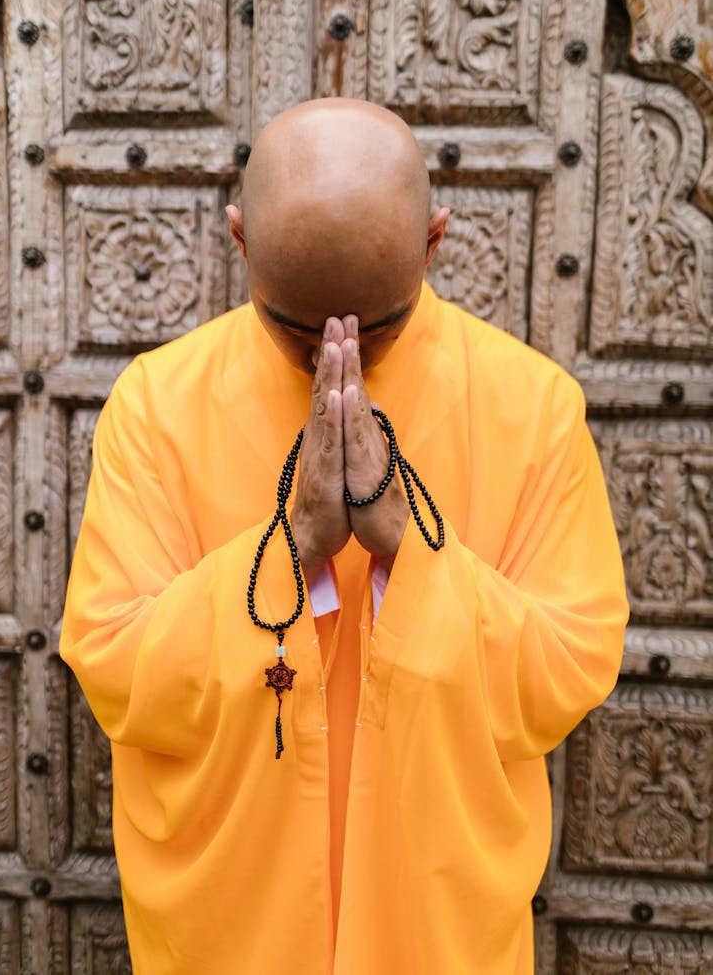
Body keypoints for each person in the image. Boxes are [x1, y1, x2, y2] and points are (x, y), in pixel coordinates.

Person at [61, 98, 628, 974]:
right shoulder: (156, 405)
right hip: (234, 917)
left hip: (432, 913)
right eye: (296, 327)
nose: (337, 356)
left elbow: (575, 660)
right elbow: (108, 654)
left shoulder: (533, 407)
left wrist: (411, 552)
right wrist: (288, 550)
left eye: (377, 325)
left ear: (435, 241)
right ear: (239, 240)